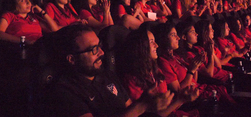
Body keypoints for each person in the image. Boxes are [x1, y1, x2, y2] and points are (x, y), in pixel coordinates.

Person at [39, 24, 174, 117]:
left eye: (100, 46)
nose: (102, 53)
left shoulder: (107, 75)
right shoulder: (64, 91)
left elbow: (131, 110)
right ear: (72, 59)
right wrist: (142, 105)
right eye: (94, 50)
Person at [119, 25, 200, 116]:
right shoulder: (132, 79)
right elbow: (152, 115)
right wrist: (180, 100)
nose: (156, 45)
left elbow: (166, 106)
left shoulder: (156, 70)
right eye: (151, 42)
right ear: (141, 47)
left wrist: (182, 99)